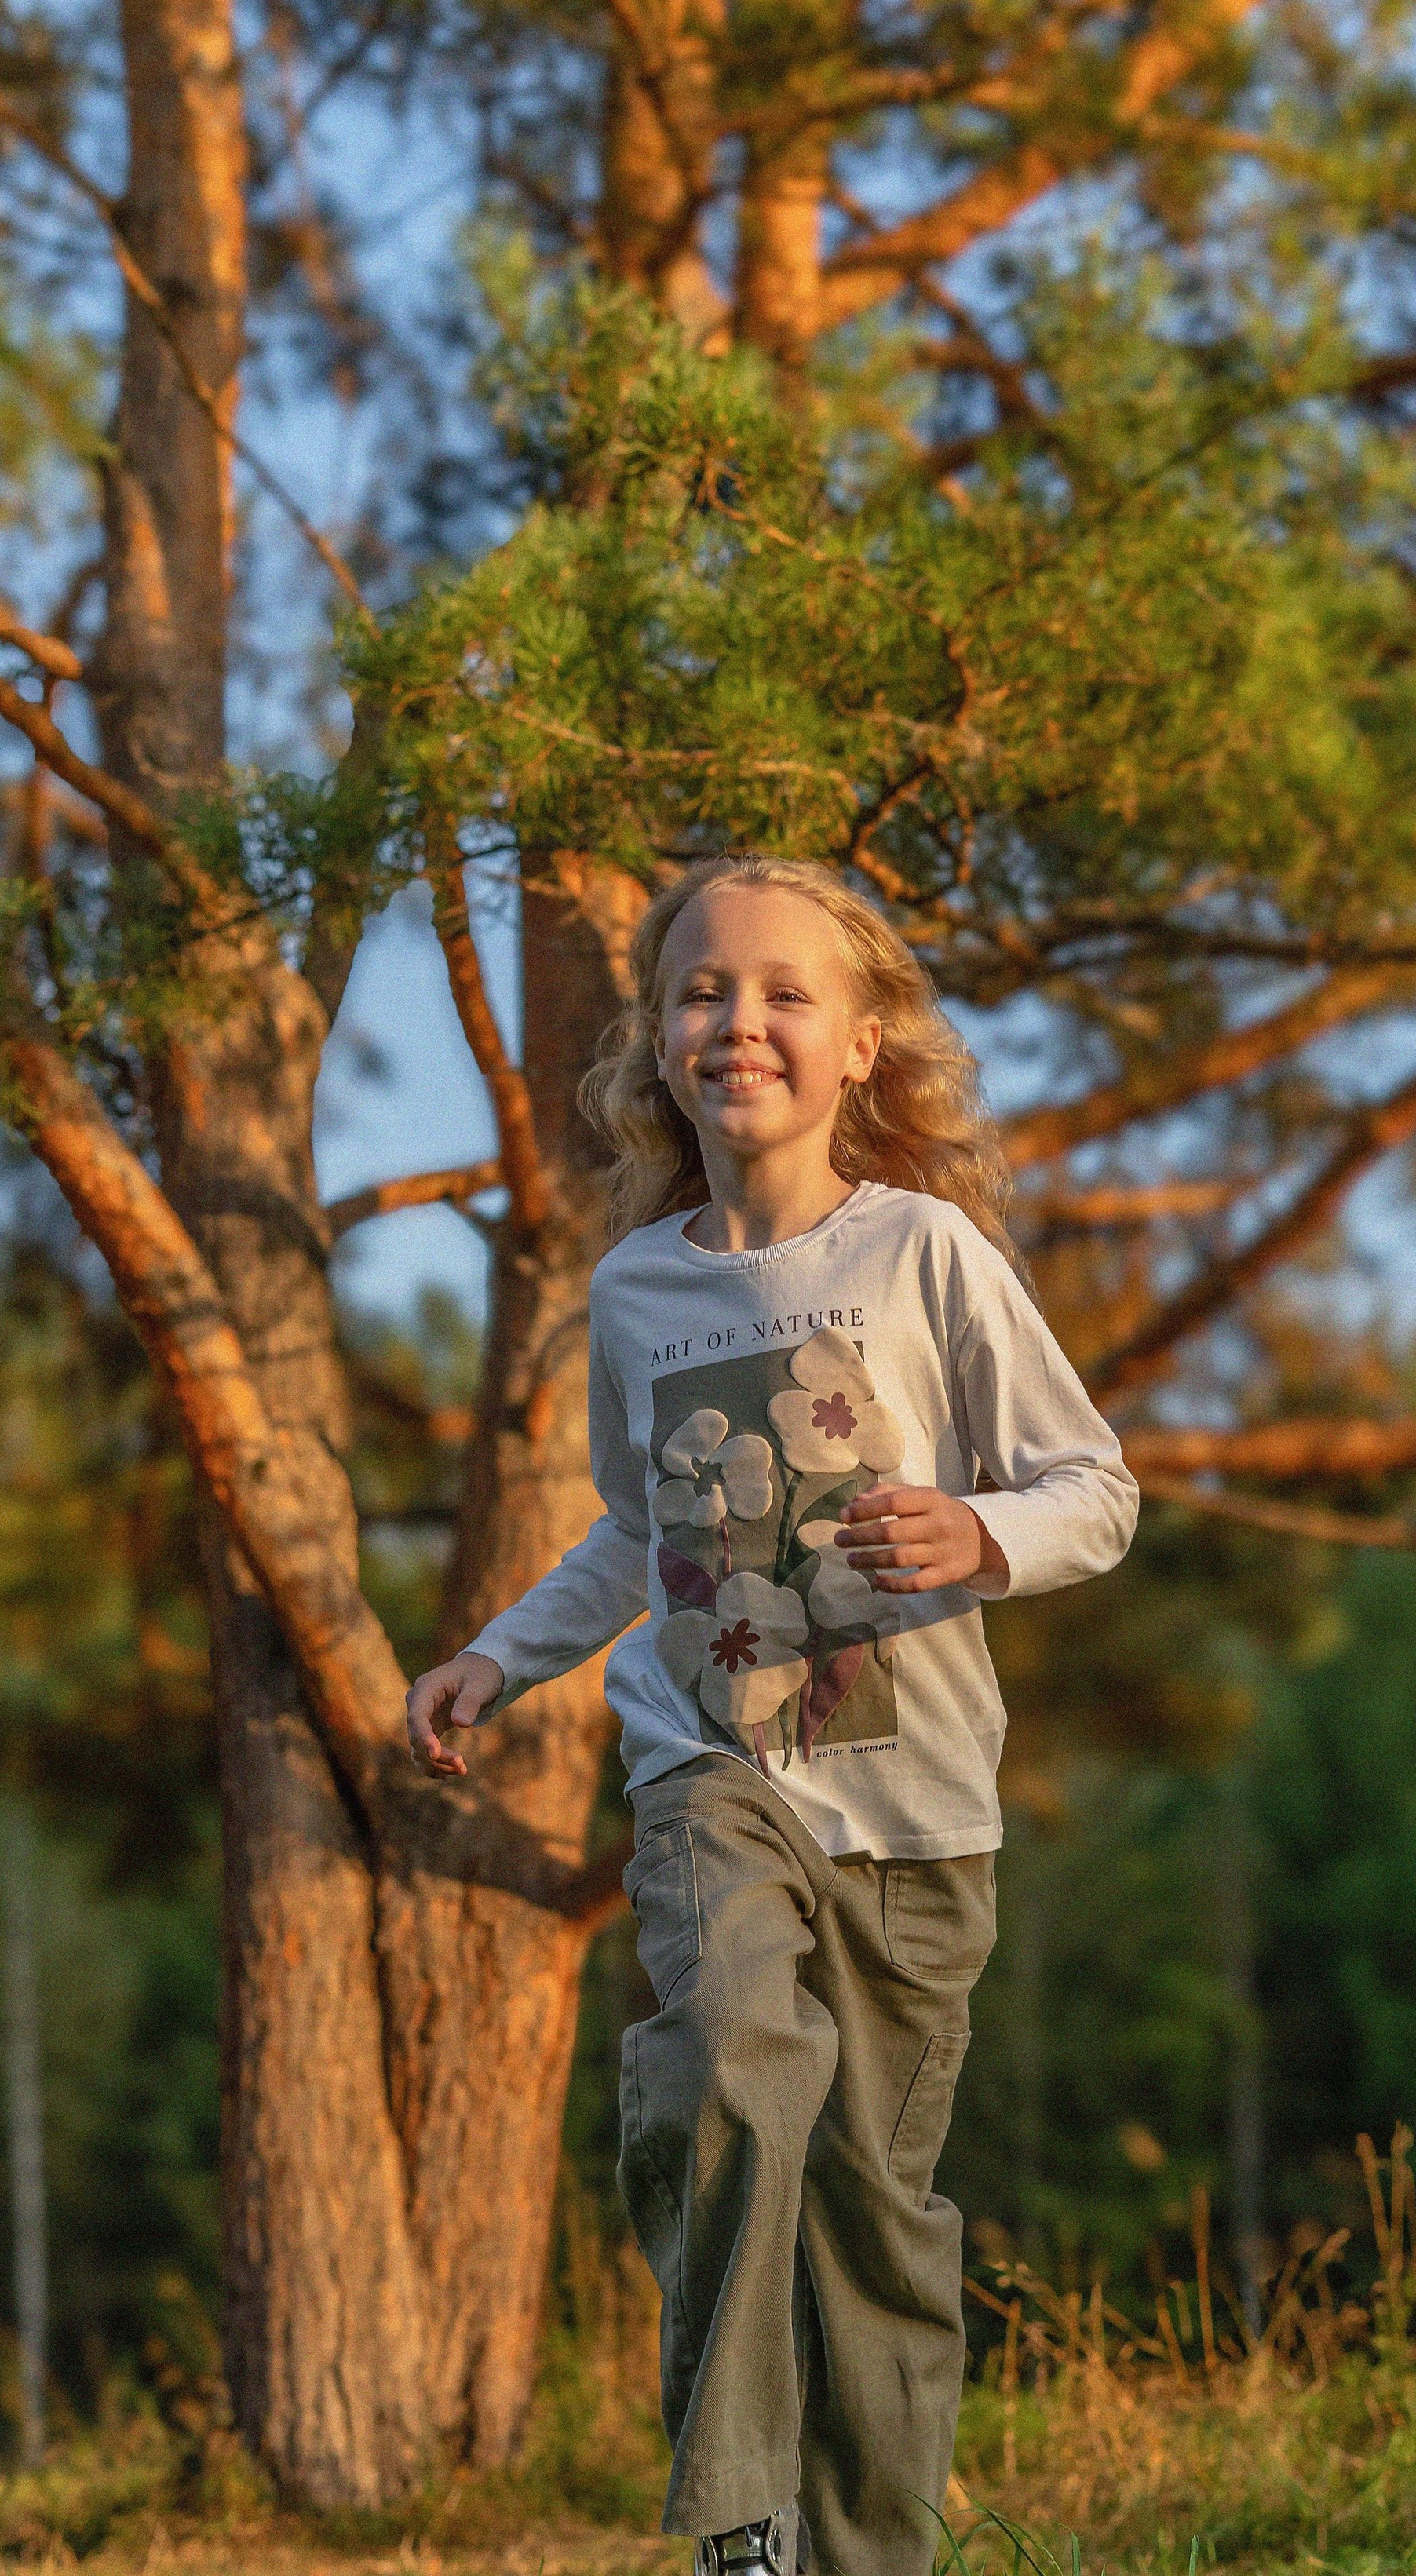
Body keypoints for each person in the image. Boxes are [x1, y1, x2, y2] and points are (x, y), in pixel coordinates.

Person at [404, 851, 1137, 2576]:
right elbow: (632, 1533)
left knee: (876, 2221)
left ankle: (869, 2551)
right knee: (733, 2062)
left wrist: (978, 1531)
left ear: (865, 1041)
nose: (740, 1020)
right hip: (712, 1767)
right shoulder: (636, 1291)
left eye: (785, 990)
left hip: (914, 1811)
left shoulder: (925, 1252)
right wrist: (502, 1654)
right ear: (656, 1043)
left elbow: (1092, 1491)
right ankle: (742, 2522)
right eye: (701, 991)